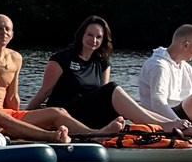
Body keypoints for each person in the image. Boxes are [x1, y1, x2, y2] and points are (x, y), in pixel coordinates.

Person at [18, 15, 155, 138]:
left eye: (98, 37)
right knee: (113, 88)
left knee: (121, 104)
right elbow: (45, 91)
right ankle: (159, 124)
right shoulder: (61, 59)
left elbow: (103, 97)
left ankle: (168, 123)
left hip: (88, 115)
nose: (93, 40)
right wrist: (24, 116)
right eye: (90, 35)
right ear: (82, 35)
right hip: (64, 114)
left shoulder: (102, 63)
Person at [0, 14, 58, 139]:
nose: (4, 32)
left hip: (5, 115)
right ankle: (51, 136)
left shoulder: (15, 58)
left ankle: (91, 134)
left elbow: (12, 96)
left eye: (7, 29)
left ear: (12, 35)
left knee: (57, 112)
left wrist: (19, 117)